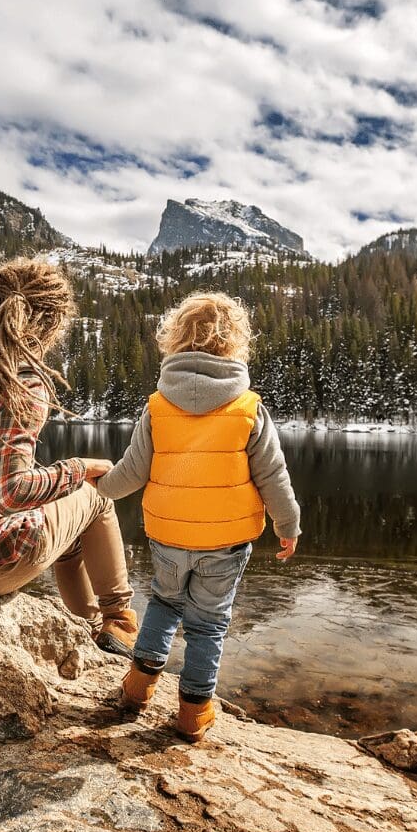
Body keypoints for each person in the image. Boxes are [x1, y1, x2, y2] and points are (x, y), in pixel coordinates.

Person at [95, 292, 300, 741]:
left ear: (175, 339)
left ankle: (137, 688)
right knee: (208, 623)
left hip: (167, 536)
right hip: (225, 545)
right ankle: (193, 712)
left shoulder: (157, 405)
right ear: (235, 343)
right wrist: (288, 526)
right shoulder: (248, 408)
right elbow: (273, 476)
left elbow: (132, 473)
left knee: (164, 604)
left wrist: (99, 487)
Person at [0, 258, 139, 655]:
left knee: (67, 525)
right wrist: (80, 468)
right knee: (95, 498)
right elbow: (9, 493)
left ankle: (90, 629)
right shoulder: (19, 383)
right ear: (52, 323)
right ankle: (119, 621)